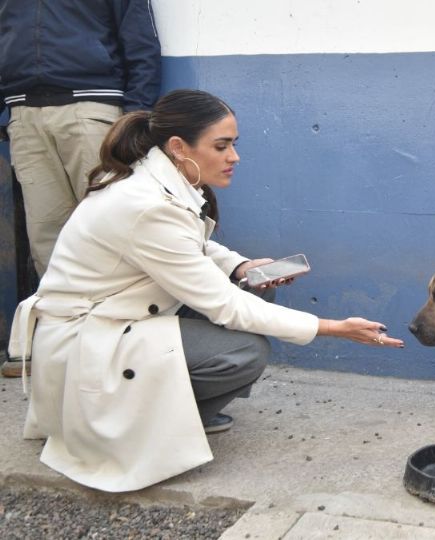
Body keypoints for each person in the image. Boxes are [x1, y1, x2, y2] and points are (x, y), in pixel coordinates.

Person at [6, 89, 405, 493]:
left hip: (114, 322)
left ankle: (172, 407)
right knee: (244, 352)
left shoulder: (154, 179)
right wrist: (333, 327)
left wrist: (241, 266)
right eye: (222, 145)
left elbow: (189, 242)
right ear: (179, 147)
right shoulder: (145, 204)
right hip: (85, 346)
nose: (234, 157)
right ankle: (152, 424)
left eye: (233, 144)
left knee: (251, 288)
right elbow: (224, 304)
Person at [0, 0, 162, 378]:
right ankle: (62, 345)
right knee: (46, 237)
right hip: (23, 116)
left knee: (111, 232)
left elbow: (141, 43)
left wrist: (134, 120)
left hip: (93, 109)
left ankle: (123, 344)